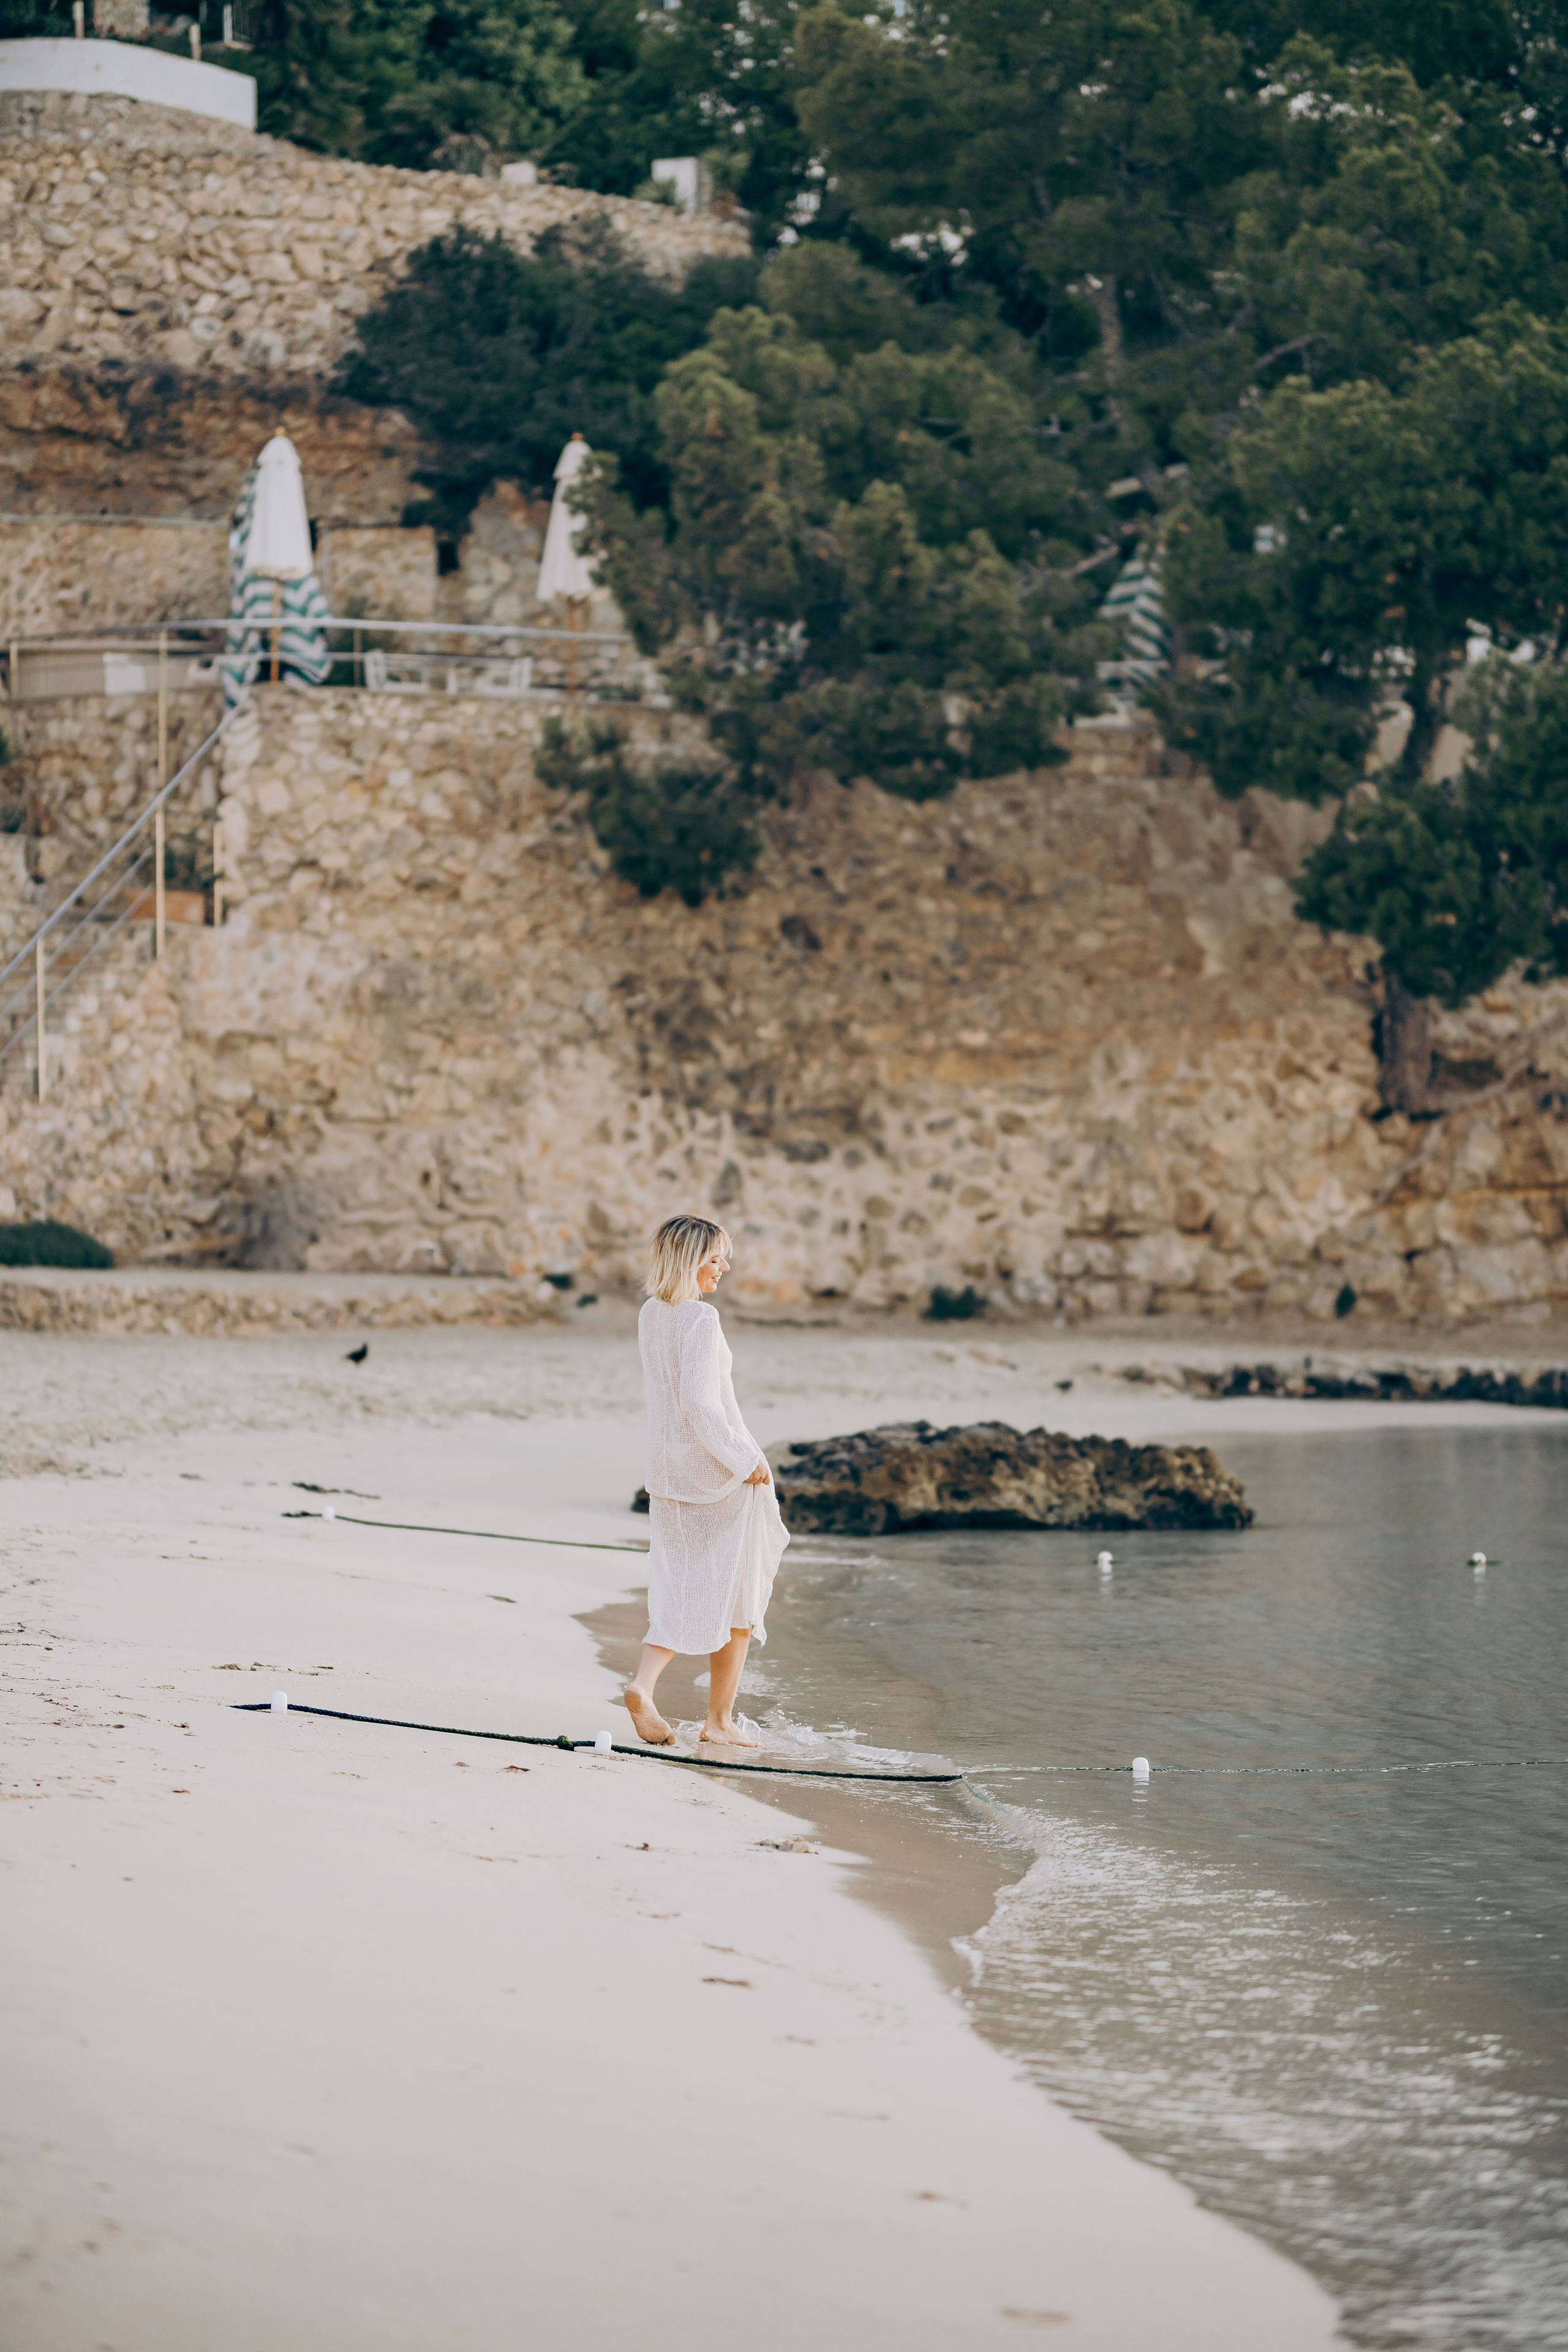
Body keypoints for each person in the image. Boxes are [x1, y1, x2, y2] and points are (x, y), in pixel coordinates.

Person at [624, 1215, 790, 1747]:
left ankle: (645, 1684)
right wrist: (745, 1460)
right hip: (714, 1472)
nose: (724, 1268)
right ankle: (718, 1722)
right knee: (737, 1595)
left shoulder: (651, 1313)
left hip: (666, 1472)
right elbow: (700, 1405)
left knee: (681, 1584)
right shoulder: (701, 1319)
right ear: (690, 1261)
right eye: (715, 1259)